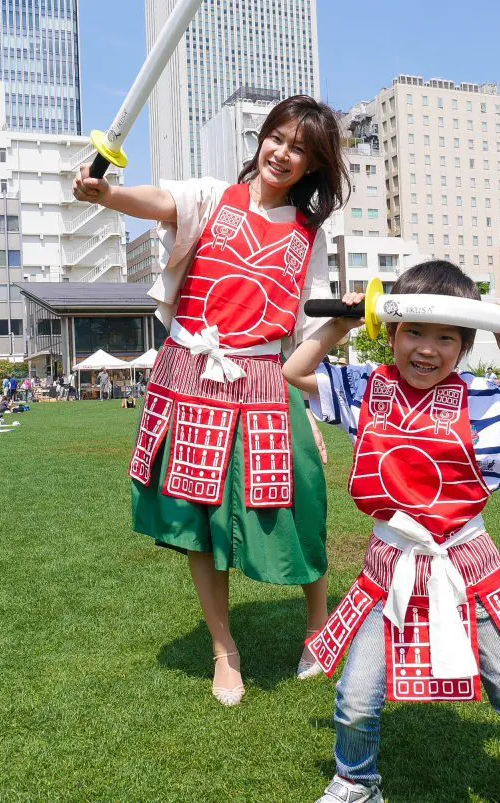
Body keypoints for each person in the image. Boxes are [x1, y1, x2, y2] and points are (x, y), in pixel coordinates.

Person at [75, 94, 347, 705]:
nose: (283, 153)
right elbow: (156, 201)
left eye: (300, 148)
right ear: (262, 139)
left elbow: (307, 330)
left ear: (314, 165)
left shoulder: (310, 235)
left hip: (263, 382)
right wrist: (106, 193)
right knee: (199, 518)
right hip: (188, 375)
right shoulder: (210, 196)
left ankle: (316, 625)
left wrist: (345, 326)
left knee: (302, 500)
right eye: (277, 137)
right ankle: (225, 649)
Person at [283, 261, 500, 803]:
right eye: (414, 332)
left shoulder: (483, 398)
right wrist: (344, 324)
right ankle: (356, 780)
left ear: (465, 346)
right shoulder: (365, 388)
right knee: (356, 696)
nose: (426, 349)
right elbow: (297, 371)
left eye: (445, 337)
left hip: (467, 563)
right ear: (392, 335)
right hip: (391, 565)